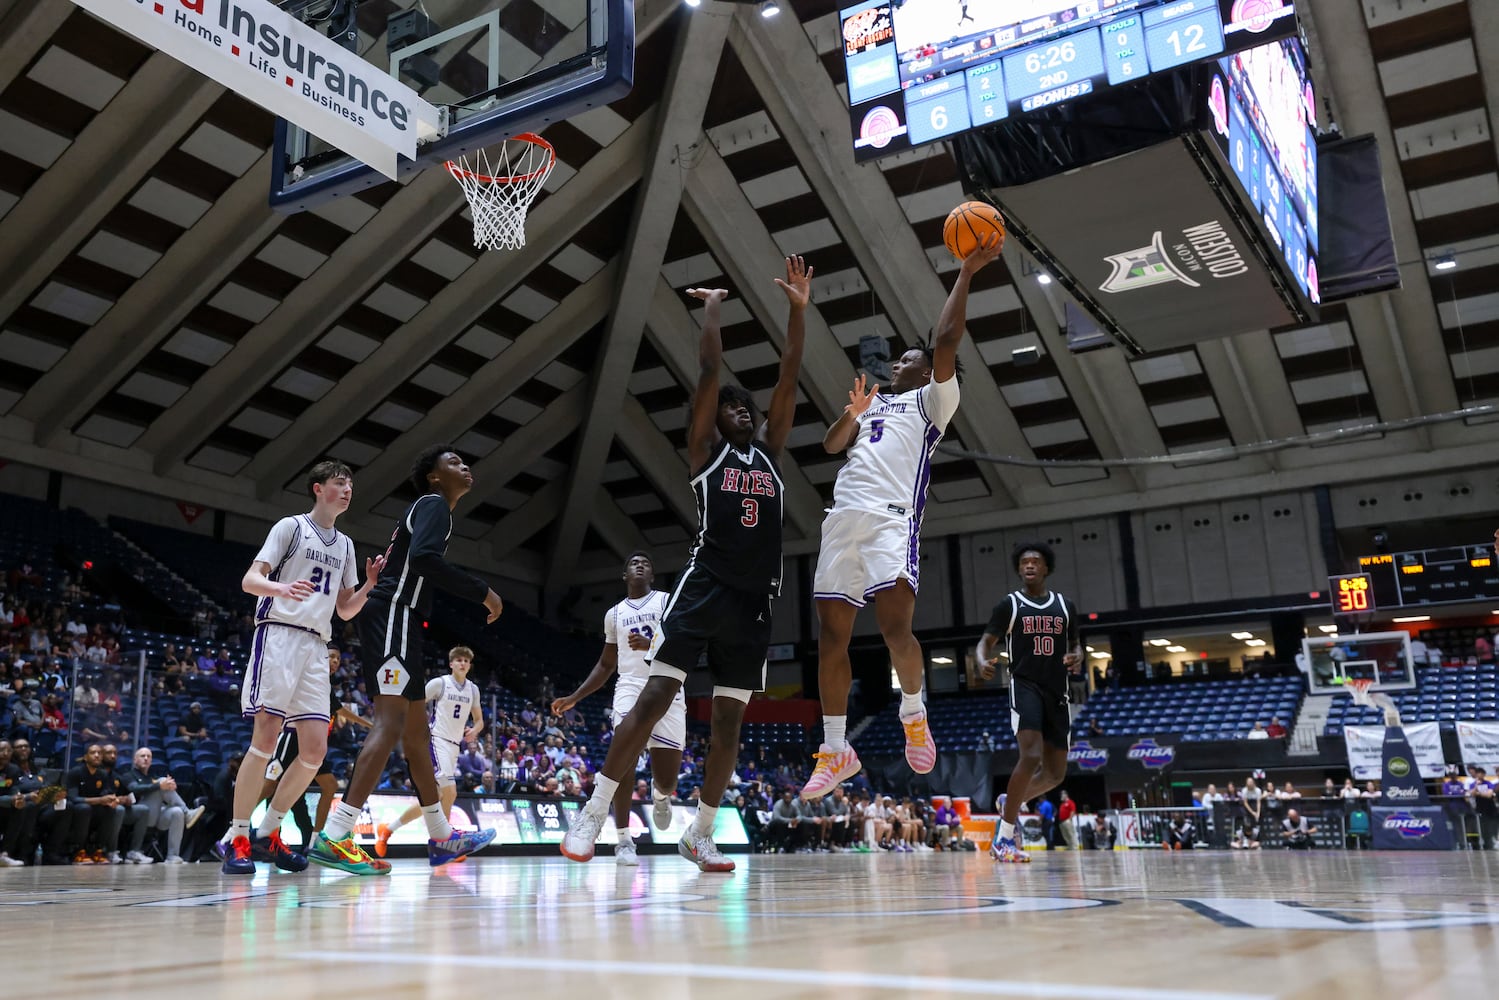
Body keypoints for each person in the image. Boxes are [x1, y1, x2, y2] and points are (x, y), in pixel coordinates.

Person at [561, 258, 810, 872]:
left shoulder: (772, 459)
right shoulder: (705, 456)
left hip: (755, 601)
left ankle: (699, 831)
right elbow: (707, 371)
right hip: (704, 590)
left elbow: (789, 377)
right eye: (731, 409)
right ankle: (593, 813)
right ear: (715, 422)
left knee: (727, 720)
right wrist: (713, 309)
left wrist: (799, 313)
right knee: (653, 699)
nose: (741, 411)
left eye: (745, 408)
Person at [801, 235, 1003, 799]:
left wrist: (964, 273)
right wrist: (853, 412)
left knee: (895, 631)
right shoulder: (877, 403)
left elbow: (945, 339)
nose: (898, 362)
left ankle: (913, 712)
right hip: (843, 518)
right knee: (830, 639)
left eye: (907, 358)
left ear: (930, 370)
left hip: (892, 521)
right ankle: (836, 748)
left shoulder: (933, 402)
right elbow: (831, 444)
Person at [308, 446, 500, 874]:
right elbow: (428, 562)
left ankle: (440, 834)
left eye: (465, 461)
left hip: (405, 620)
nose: (465, 466)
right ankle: (336, 835)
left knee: (415, 736)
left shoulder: (433, 507)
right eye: (453, 462)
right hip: (394, 612)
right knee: (390, 723)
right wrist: (482, 591)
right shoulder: (434, 504)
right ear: (433, 477)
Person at [222, 461, 384, 876]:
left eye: (351, 484)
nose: (347, 489)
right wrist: (280, 588)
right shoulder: (290, 528)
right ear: (318, 489)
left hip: (316, 644)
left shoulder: (346, 545)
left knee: (314, 750)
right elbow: (249, 579)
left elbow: (345, 610)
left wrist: (368, 585)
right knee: (265, 738)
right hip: (278, 635)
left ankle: (269, 833)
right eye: (339, 483)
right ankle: (237, 836)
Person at [549, 551, 683, 866]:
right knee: (623, 757)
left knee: (668, 780)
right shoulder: (614, 614)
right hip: (630, 687)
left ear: (652, 576)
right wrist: (575, 697)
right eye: (633, 563)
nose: (639, 565)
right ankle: (624, 840)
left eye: (646, 563)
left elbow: (684, 645)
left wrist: (651, 647)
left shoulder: (666, 602)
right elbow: (607, 664)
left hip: (668, 684)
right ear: (624, 576)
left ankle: (660, 794)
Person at [974, 540, 1081, 863]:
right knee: (1031, 756)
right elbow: (985, 642)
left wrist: (1077, 657)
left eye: (1035, 561)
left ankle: (1011, 798)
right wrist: (981, 661)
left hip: (1058, 693)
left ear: (1046, 567)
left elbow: (1077, 645)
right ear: (1019, 570)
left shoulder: (1065, 606)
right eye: (1023, 563)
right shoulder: (1010, 605)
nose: (1029, 566)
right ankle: (1004, 840)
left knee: (1055, 775)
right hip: (1025, 687)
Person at [250, 645, 372, 849]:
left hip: (312, 744)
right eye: (331, 657)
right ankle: (238, 825)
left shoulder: (325, 683)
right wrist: (371, 725)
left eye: (338, 659)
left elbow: (339, 710)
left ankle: (315, 840)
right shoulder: (308, 674)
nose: (335, 662)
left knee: (330, 785)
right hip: (292, 734)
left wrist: (370, 725)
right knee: (270, 784)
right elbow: (340, 710)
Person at [375, 646, 485, 856]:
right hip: (436, 741)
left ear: (470, 665)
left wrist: (475, 730)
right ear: (451, 663)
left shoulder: (473, 689)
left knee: (435, 796)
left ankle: (388, 829)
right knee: (450, 792)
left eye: (466, 661)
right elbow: (414, 704)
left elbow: (479, 720)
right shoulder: (440, 683)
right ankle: (443, 843)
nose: (462, 663)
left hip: (454, 746)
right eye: (458, 660)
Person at [122, 747, 199, 864]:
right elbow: (135, 789)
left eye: (149, 756)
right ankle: (187, 812)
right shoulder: (129, 775)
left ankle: (172, 856)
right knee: (161, 782)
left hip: (156, 817)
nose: (146, 758)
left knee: (176, 812)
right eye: (142, 756)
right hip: (138, 816)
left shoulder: (153, 777)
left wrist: (170, 787)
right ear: (135, 760)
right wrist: (160, 786)